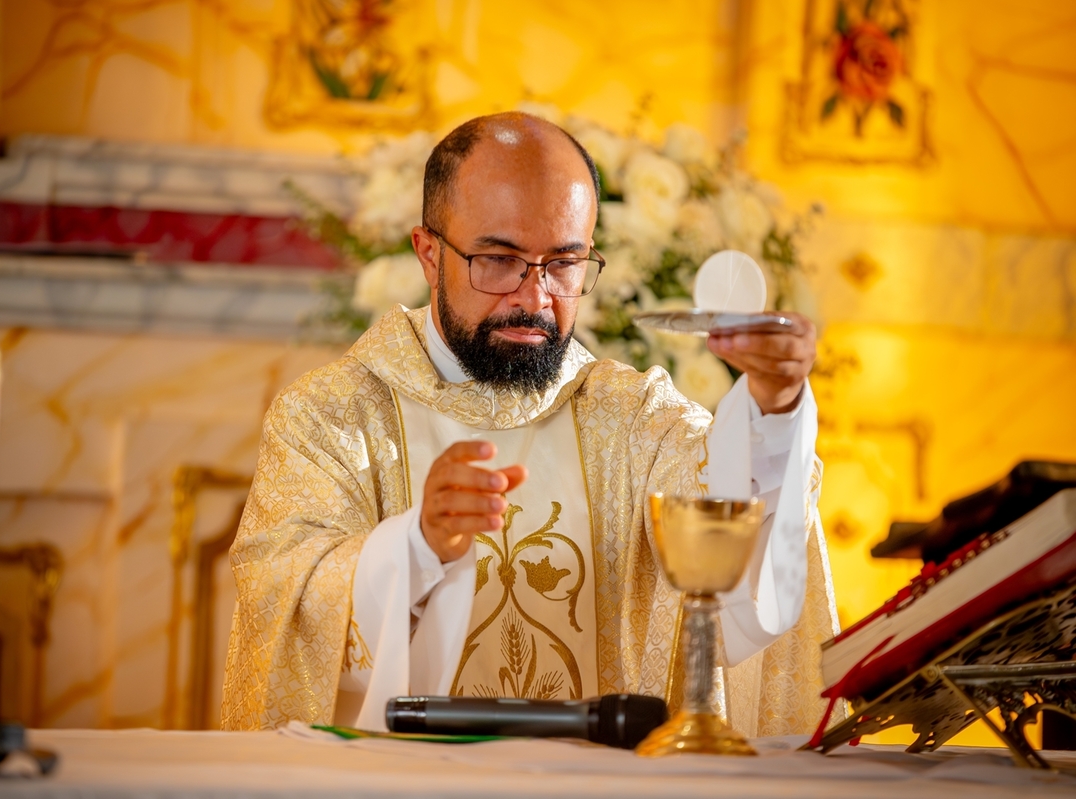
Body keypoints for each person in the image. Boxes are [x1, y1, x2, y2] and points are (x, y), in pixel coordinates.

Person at [221, 112, 839, 736]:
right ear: (429, 254)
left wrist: (775, 404)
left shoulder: (631, 420)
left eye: (565, 263)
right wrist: (414, 548)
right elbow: (285, 605)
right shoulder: (330, 418)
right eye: (499, 259)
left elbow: (737, 534)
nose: (535, 297)